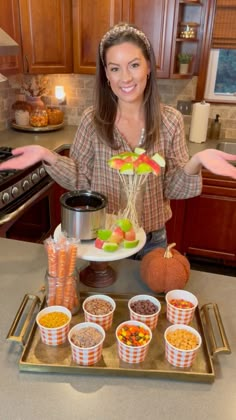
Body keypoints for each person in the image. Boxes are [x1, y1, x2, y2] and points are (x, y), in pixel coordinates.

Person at [1, 23, 236, 259]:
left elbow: (172, 188)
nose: (125, 78)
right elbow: (80, 179)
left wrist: (196, 161)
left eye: (134, 65)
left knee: (149, 295)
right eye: (115, 68)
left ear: (148, 67)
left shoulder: (170, 121)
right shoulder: (92, 120)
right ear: (106, 73)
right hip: (103, 240)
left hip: (152, 241)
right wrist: (47, 155)